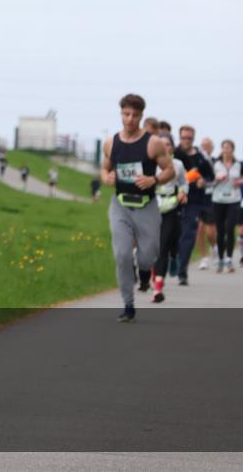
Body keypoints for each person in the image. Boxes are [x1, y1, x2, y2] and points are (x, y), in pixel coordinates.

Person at [100, 94, 174, 322]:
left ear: (141, 116)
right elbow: (104, 169)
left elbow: (170, 170)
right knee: (122, 255)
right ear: (121, 113)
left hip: (146, 206)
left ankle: (144, 272)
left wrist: (154, 180)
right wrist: (107, 177)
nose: (130, 119)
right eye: (126, 114)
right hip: (121, 204)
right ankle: (128, 304)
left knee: (148, 256)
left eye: (135, 115)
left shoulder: (153, 143)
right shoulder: (111, 142)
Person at [174, 126, 215, 283]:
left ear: (193, 139)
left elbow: (211, 176)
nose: (187, 141)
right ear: (180, 137)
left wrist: (203, 181)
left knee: (189, 235)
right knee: (172, 235)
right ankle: (171, 261)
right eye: (184, 137)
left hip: (193, 202)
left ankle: (182, 271)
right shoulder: (174, 154)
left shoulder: (200, 158)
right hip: (172, 200)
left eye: (189, 138)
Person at [151, 134, 188, 302]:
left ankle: (158, 288)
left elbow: (184, 182)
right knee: (151, 248)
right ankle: (151, 277)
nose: (164, 147)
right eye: (161, 144)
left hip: (171, 206)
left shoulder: (178, 164)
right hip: (151, 207)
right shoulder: (149, 163)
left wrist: (182, 193)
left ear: (172, 147)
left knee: (163, 247)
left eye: (167, 144)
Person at [211, 140, 243, 273]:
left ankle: (229, 260)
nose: (226, 149)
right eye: (224, 147)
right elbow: (209, 181)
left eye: (228, 147)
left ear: (233, 150)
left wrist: (241, 181)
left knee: (230, 228)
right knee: (220, 230)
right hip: (218, 199)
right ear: (221, 149)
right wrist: (216, 179)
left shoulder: (239, 165)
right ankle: (220, 259)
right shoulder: (215, 163)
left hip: (234, 199)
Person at [194, 136, 219, 269]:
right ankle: (204, 257)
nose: (204, 147)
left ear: (212, 147)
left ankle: (215, 249)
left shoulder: (216, 162)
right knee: (199, 230)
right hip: (198, 198)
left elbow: (218, 179)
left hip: (212, 199)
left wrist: (207, 182)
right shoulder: (196, 161)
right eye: (202, 145)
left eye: (207, 145)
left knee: (210, 232)